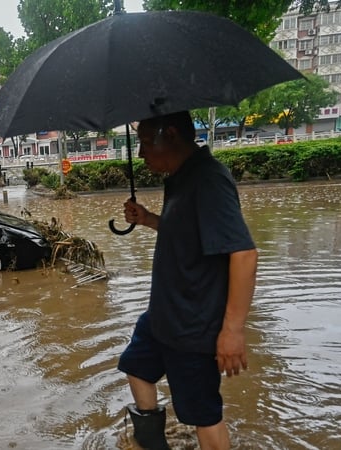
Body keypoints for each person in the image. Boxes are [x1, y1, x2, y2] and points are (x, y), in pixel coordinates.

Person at [117, 111, 258, 450]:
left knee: (202, 415)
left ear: (173, 135)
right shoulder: (181, 177)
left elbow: (244, 254)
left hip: (192, 325)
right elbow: (190, 234)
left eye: (147, 143)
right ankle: (153, 446)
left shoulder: (208, 180)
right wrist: (150, 219)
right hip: (164, 316)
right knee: (136, 367)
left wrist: (232, 331)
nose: (141, 154)